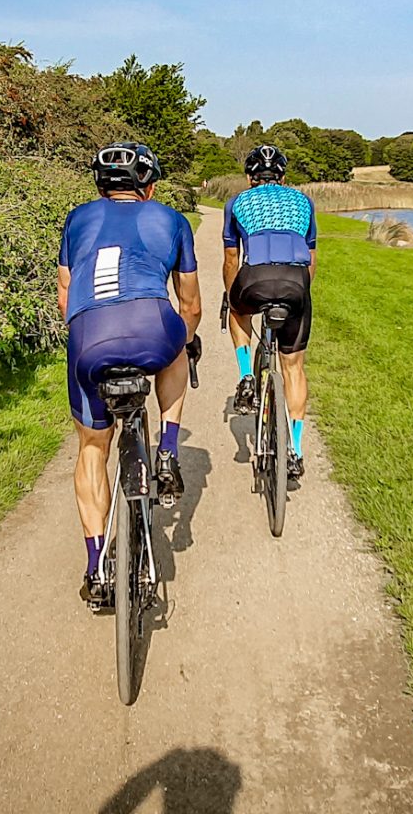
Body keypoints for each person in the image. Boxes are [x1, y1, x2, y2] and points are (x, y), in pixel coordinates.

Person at [59, 143, 201, 602]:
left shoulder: (77, 219)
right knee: (178, 344)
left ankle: (96, 568)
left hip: (88, 336)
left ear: (100, 187)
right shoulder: (172, 220)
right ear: (150, 186)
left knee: (91, 449)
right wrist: (187, 337)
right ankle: (168, 449)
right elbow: (191, 304)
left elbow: (65, 298)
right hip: (151, 328)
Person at [222, 144, 316, 488]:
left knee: (237, 307)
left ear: (249, 178)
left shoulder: (236, 203)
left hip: (254, 277)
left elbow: (232, 259)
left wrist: (231, 294)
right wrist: (301, 294)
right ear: (283, 177)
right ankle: (295, 449)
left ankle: (247, 374)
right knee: (293, 367)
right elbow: (311, 258)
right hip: (295, 282)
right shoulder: (304, 202)